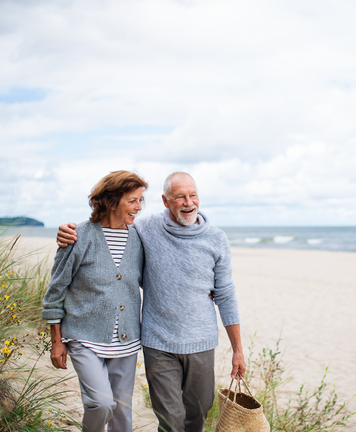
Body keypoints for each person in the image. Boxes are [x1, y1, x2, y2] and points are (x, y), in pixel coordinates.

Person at [56, 171, 246, 432]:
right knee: (170, 419)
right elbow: (109, 227)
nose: (188, 202)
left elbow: (225, 294)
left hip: (200, 341)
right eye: (180, 197)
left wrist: (237, 349)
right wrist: (68, 231)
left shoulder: (216, 239)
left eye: (193, 195)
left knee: (199, 412)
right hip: (157, 342)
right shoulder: (145, 229)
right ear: (166, 201)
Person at [42, 170, 148, 432]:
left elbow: (154, 277)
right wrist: (56, 341)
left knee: (122, 413)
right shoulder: (78, 236)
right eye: (132, 200)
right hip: (83, 337)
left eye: (140, 201)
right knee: (101, 404)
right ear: (111, 200)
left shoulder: (138, 238)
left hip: (126, 340)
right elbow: (56, 291)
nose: (138, 207)